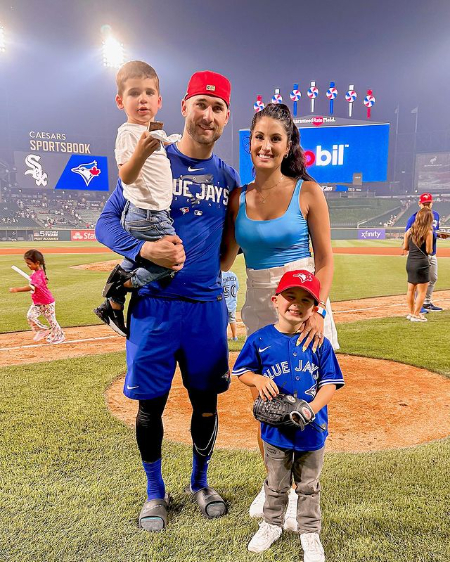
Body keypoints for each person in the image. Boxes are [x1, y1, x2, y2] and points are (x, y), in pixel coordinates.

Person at [95, 71, 240, 531]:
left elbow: (231, 246)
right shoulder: (154, 155)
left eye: (217, 108)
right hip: (155, 309)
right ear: (182, 106)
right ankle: (155, 492)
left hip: (204, 311)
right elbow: (105, 222)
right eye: (201, 104)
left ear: (226, 117)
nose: (208, 115)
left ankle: (200, 482)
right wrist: (140, 250)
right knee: (150, 406)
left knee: (206, 404)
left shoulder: (227, 177)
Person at [220, 103, 338, 527]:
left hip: (305, 304)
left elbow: (325, 260)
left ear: (288, 145)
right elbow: (225, 258)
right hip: (259, 304)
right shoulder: (238, 198)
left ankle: (300, 488)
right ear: (249, 141)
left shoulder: (307, 191)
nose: (265, 145)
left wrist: (318, 310)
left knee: (302, 396)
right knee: (266, 401)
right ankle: (273, 485)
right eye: (259, 137)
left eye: (275, 138)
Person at [232, 270, 344, 558]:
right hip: (275, 431)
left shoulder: (320, 343)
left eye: (306, 299)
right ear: (275, 300)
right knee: (276, 483)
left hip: (312, 429)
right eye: (290, 296)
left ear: (315, 309)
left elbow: (330, 383)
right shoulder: (260, 339)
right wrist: (257, 380)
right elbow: (242, 371)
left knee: (308, 486)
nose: (297, 303)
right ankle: (272, 524)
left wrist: (311, 409)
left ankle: (309, 532)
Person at [94, 61, 181, 337]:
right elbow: (125, 180)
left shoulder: (158, 138)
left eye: (148, 93)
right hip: (148, 214)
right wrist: (142, 249)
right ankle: (122, 285)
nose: (142, 99)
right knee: (174, 261)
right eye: (134, 93)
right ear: (120, 101)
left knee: (142, 262)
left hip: (154, 213)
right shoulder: (130, 135)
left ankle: (113, 303)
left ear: (159, 101)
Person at [9, 249, 65, 344]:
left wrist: (17, 289)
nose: (28, 266)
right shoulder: (38, 272)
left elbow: (31, 287)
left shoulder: (38, 275)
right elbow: (44, 281)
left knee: (51, 320)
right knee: (30, 316)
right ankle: (42, 330)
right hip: (38, 302)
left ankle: (59, 336)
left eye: (29, 263)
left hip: (47, 302)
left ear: (37, 263)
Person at [405, 193, 448, 313]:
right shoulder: (413, 218)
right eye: (424, 203)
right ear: (419, 204)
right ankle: (418, 308)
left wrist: (438, 235)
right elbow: (408, 234)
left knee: (433, 278)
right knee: (417, 282)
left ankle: (427, 302)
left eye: (428, 203)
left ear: (432, 203)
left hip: (432, 253)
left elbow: (433, 232)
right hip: (419, 254)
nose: (426, 206)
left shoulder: (436, 216)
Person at [403, 207, 434, 322]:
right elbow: (429, 250)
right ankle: (416, 314)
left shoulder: (409, 231)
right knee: (422, 291)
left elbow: (405, 247)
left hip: (410, 261)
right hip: (421, 263)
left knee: (410, 289)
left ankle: (411, 313)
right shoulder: (428, 232)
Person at [221, 269, 239, 340]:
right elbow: (237, 287)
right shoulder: (233, 275)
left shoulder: (220, 276)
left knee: (222, 321)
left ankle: (224, 337)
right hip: (232, 303)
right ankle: (234, 337)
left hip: (223, 304)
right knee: (232, 319)